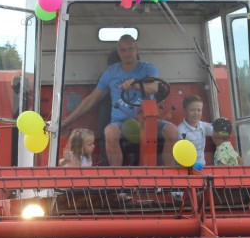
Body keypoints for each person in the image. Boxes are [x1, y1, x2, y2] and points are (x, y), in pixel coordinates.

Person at [60, 35, 178, 166]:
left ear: (136, 49)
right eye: (123, 50)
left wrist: (135, 86)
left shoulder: (148, 68)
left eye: (130, 49)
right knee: (109, 132)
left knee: (172, 131)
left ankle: (169, 176)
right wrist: (66, 122)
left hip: (148, 120)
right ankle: (116, 178)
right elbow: (92, 99)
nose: (127, 53)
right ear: (118, 52)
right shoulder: (110, 73)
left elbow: (154, 87)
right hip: (121, 123)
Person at [176, 95, 214, 165]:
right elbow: (182, 155)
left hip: (202, 166)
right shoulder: (181, 131)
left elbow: (216, 131)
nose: (196, 113)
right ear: (184, 111)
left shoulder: (203, 125)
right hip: (187, 168)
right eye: (192, 110)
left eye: (199, 110)